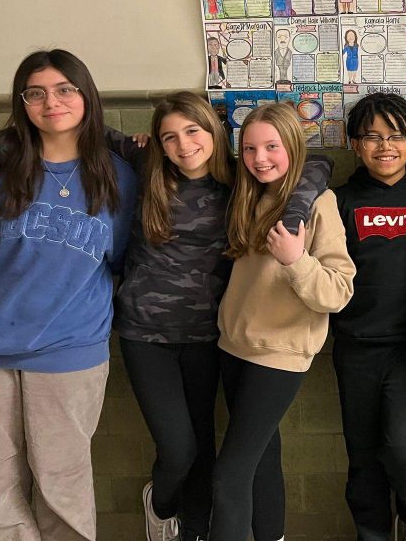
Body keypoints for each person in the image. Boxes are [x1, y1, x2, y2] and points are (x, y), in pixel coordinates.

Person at [110, 92, 330, 541]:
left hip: (209, 336)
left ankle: (193, 531)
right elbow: (84, 126)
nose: (183, 144)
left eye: (193, 131)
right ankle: (162, 504)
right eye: (169, 136)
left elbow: (315, 163)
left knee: (206, 450)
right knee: (178, 449)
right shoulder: (146, 165)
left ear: (214, 133)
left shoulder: (239, 180)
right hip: (145, 335)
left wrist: (291, 218)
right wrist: (3, 147)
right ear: (157, 142)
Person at [0, 49, 137, 541]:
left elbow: (120, 258)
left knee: (61, 486)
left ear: (85, 95)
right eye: (36, 93)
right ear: (23, 103)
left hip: (70, 352)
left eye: (64, 89)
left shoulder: (118, 175)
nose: (51, 102)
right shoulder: (0, 170)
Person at [207, 103, 355, 541]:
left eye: (272, 146)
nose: (260, 158)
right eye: (249, 148)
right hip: (234, 346)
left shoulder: (316, 203)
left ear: (292, 146)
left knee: (228, 476)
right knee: (259, 464)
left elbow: (338, 291)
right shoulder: (249, 194)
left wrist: (296, 261)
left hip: (280, 357)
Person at [333, 93, 406, 541]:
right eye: (372, 137)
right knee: (363, 458)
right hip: (356, 348)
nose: (385, 146)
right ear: (354, 144)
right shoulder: (338, 200)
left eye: (395, 135)